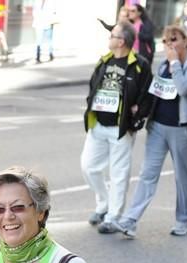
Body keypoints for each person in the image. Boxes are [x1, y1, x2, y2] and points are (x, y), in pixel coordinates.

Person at [114, 25, 187, 238]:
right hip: (158, 127)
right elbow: (156, 91)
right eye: (166, 41)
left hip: (182, 128)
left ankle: (184, 219)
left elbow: (183, 87)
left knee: (182, 175)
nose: (169, 44)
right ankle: (130, 220)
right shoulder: (164, 64)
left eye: (174, 39)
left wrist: (175, 63)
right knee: (147, 174)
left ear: (185, 40)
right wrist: (140, 108)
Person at [81, 21, 152, 234]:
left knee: (118, 173)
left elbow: (147, 94)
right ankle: (103, 203)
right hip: (98, 124)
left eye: (112, 35)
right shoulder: (104, 61)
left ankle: (112, 217)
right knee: (88, 167)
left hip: (121, 128)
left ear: (121, 41)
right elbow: (93, 86)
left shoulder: (139, 65)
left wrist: (138, 115)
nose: (109, 38)